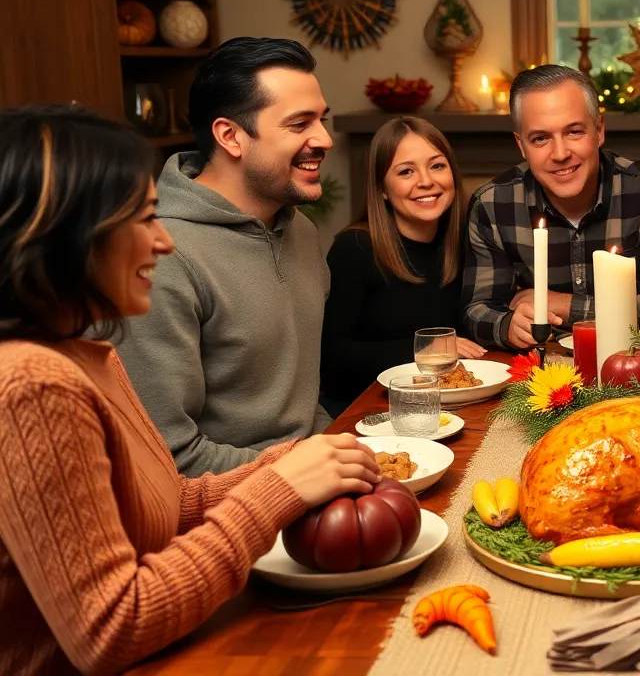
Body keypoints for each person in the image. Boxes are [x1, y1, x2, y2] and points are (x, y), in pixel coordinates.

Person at [0, 106, 381, 676]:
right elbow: (111, 629)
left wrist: (290, 465)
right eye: (144, 219)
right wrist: (275, 491)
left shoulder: (87, 353)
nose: (165, 243)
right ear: (66, 235)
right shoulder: (31, 383)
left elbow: (164, 506)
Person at [115, 37, 335, 476]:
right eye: (299, 124)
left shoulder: (303, 232)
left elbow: (303, 409)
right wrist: (304, 472)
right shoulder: (160, 257)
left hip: (316, 479)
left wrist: (342, 448)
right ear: (230, 136)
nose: (325, 139)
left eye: (321, 120)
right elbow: (167, 457)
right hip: (225, 513)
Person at [462, 64, 640, 350]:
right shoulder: (493, 205)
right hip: (541, 372)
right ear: (521, 145)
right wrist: (508, 326)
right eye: (540, 138)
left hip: (635, 362)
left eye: (574, 132)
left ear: (599, 130)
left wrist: (562, 304)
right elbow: (477, 310)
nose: (560, 154)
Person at [321, 117, 485, 415]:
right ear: (382, 188)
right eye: (406, 171)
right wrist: (427, 348)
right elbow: (332, 360)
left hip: (448, 402)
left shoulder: (467, 238)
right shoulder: (354, 249)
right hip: (370, 412)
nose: (426, 181)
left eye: (437, 165)